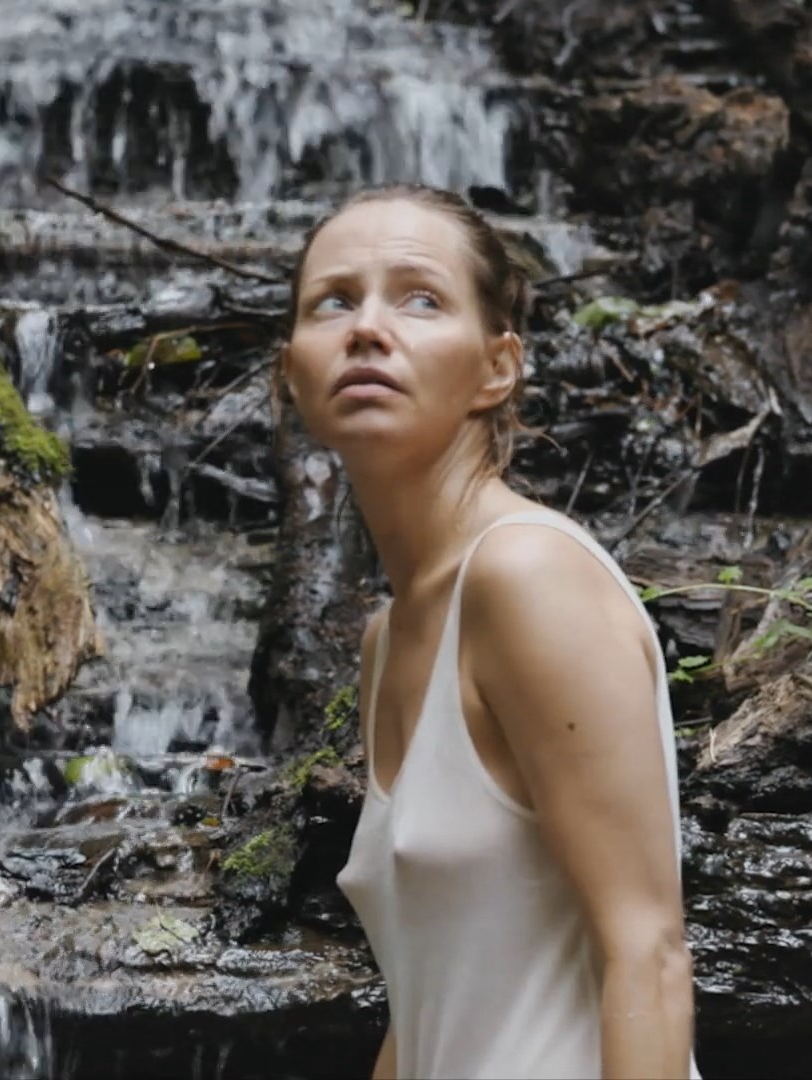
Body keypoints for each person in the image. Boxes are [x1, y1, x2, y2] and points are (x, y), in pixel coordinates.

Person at [277, 183, 701, 1080]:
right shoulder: (389, 638)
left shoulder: (525, 575)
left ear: (497, 367)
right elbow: (430, 1011)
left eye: (420, 299)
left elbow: (648, 953)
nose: (367, 328)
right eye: (334, 301)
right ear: (292, 374)